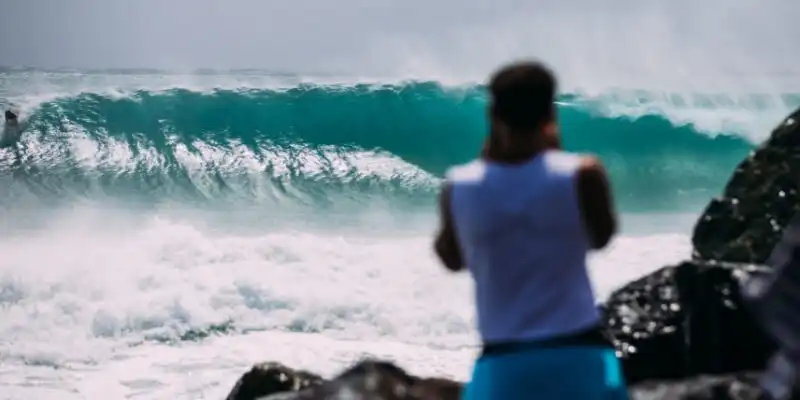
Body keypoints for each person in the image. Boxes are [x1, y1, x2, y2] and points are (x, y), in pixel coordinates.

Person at [433, 61, 628, 399]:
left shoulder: (460, 186)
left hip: (503, 362)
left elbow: (452, 259)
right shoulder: (583, 175)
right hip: (580, 353)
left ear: (494, 113)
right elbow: (602, 236)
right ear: (550, 112)